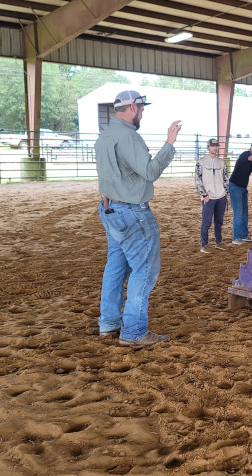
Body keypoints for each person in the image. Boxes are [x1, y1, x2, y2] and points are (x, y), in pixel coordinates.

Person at [95, 90, 182, 346]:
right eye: (142, 109)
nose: (142, 112)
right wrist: (169, 144)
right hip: (132, 211)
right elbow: (150, 171)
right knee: (144, 269)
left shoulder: (105, 135)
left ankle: (109, 322)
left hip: (110, 207)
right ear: (133, 107)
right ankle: (133, 330)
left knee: (115, 266)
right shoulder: (129, 136)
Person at [195, 138, 229, 253]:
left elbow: (226, 178)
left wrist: (225, 192)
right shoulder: (201, 162)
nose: (215, 147)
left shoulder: (222, 162)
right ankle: (204, 244)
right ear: (208, 147)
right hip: (208, 197)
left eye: (217, 146)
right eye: (213, 146)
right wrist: (204, 195)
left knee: (219, 221)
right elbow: (198, 179)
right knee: (206, 221)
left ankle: (219, 242)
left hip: (221, 196)